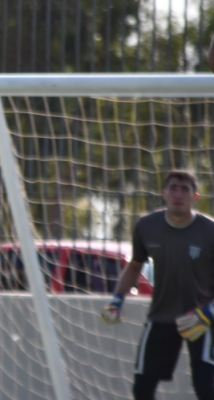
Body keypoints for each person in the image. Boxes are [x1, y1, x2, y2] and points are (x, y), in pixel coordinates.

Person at [101, 171, 214, 400]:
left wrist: (208, 313)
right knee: (142, 388)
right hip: (162, 316)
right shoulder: (146, 226)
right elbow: (134, 266)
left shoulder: (210, 230)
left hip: (203, 319)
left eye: (185, 189)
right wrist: (117, 299)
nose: (178, 194)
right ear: (164, 193)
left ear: (195, 197)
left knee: (206, 388)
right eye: (173, 188)